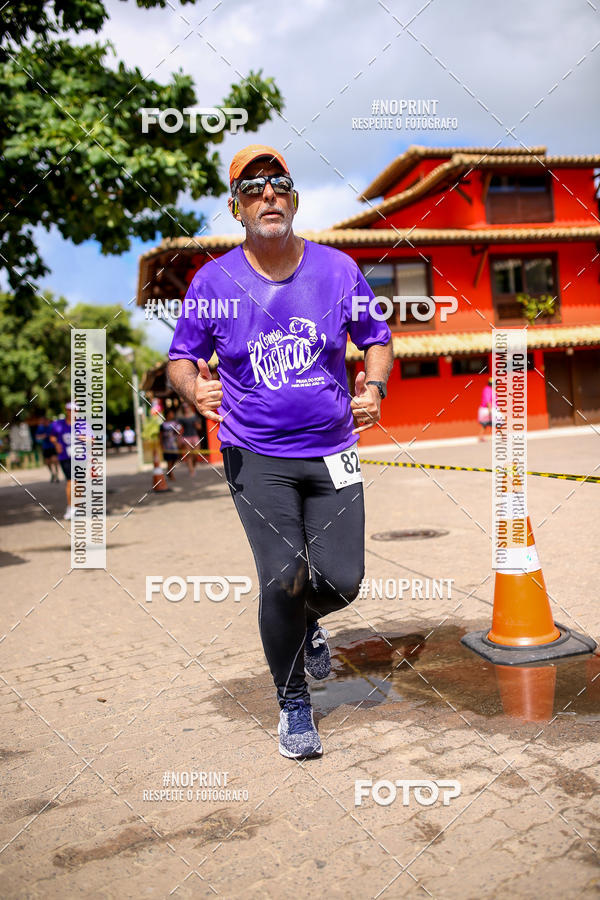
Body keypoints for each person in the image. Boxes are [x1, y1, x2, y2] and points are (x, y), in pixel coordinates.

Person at [167, 144, 393, 759]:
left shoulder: (339, 270)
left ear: (293, 199)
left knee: (343, 582)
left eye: (281, 186)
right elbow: (181, 360)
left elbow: (377, 338)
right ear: (236, 207)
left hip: (334, 450)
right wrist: (195, 389)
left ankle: (305, 620)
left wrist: (372, 387)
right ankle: (294, 705)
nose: (269, 196)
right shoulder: (211, 283)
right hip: (255, 454)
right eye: (254, 189)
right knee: (283, 577)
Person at [50, 403, 73, 519]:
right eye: (69, 410)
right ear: (66, 410)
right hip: (65, 456)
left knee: (79, 483)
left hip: (81, 457)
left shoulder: (83, 425)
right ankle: (71, 507)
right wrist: (56, 444)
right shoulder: (58, 424)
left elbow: (92, 439)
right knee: (71, 481)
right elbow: (52, 436)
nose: (72, 412)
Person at [176, 402, 204, 475]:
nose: (186, 408)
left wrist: (197, 425)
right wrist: (179, 439)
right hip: (186, 438)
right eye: (184, 407)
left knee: (196, 454)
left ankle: (193, 466)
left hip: (194, 437)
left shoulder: (194, 416)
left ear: (189, 407)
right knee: (189, 455)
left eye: (187, 407)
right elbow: (179, 429)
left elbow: (199, 427)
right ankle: (191, 470)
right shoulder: (181, 418)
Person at [35, 415, 60, 481]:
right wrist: (43, 436)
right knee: (48, 462)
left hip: (53, 446)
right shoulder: (40, 428)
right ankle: (52, 473)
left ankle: (57, 474)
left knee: (55, 460)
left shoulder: (52, 426)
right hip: (45, 447)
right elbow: (37, 437)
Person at [159, 408, 182, 480]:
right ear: (167, 415)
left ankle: (169, 471)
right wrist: (161, 445)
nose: (172, 415)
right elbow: (160, 436)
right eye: (171, 413)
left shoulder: (175, 423)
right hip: (166, 445)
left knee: (174, 459)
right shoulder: (163, 425)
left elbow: (180, 431)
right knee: (169, 460)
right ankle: (171, 475)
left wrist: (179, 441)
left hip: (174, 445)